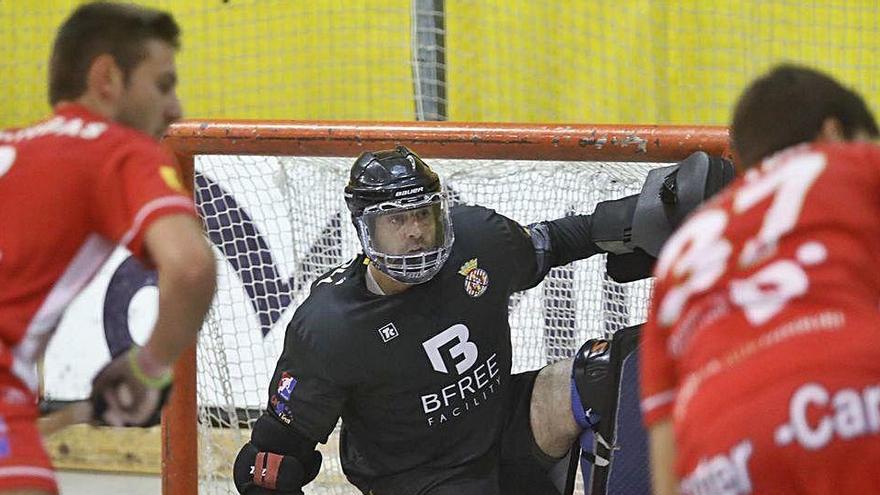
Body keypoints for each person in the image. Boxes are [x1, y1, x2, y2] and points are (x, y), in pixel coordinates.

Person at [233, 145, 732, 495]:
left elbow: (555, 241)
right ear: (365, 230)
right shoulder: (330, 326)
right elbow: (273, 461)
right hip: (419, 478)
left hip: (502, 425)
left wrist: (650, 215)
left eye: (422, 215)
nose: (415, 233)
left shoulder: (476, 241)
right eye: (396, 220)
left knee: (618, 368)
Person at [0, 2, 215, 493]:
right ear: (106, 78)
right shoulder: (115, 147)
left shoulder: (11, 146)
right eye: (163, 84)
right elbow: (189, 268)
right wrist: (149, 369)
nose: (176, 107)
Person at [640, 64, 880, 495]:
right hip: (853, 403)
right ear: (835, 132)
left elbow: (666, 458)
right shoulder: (852, 164)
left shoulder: (683, 249)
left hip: (723, 458)